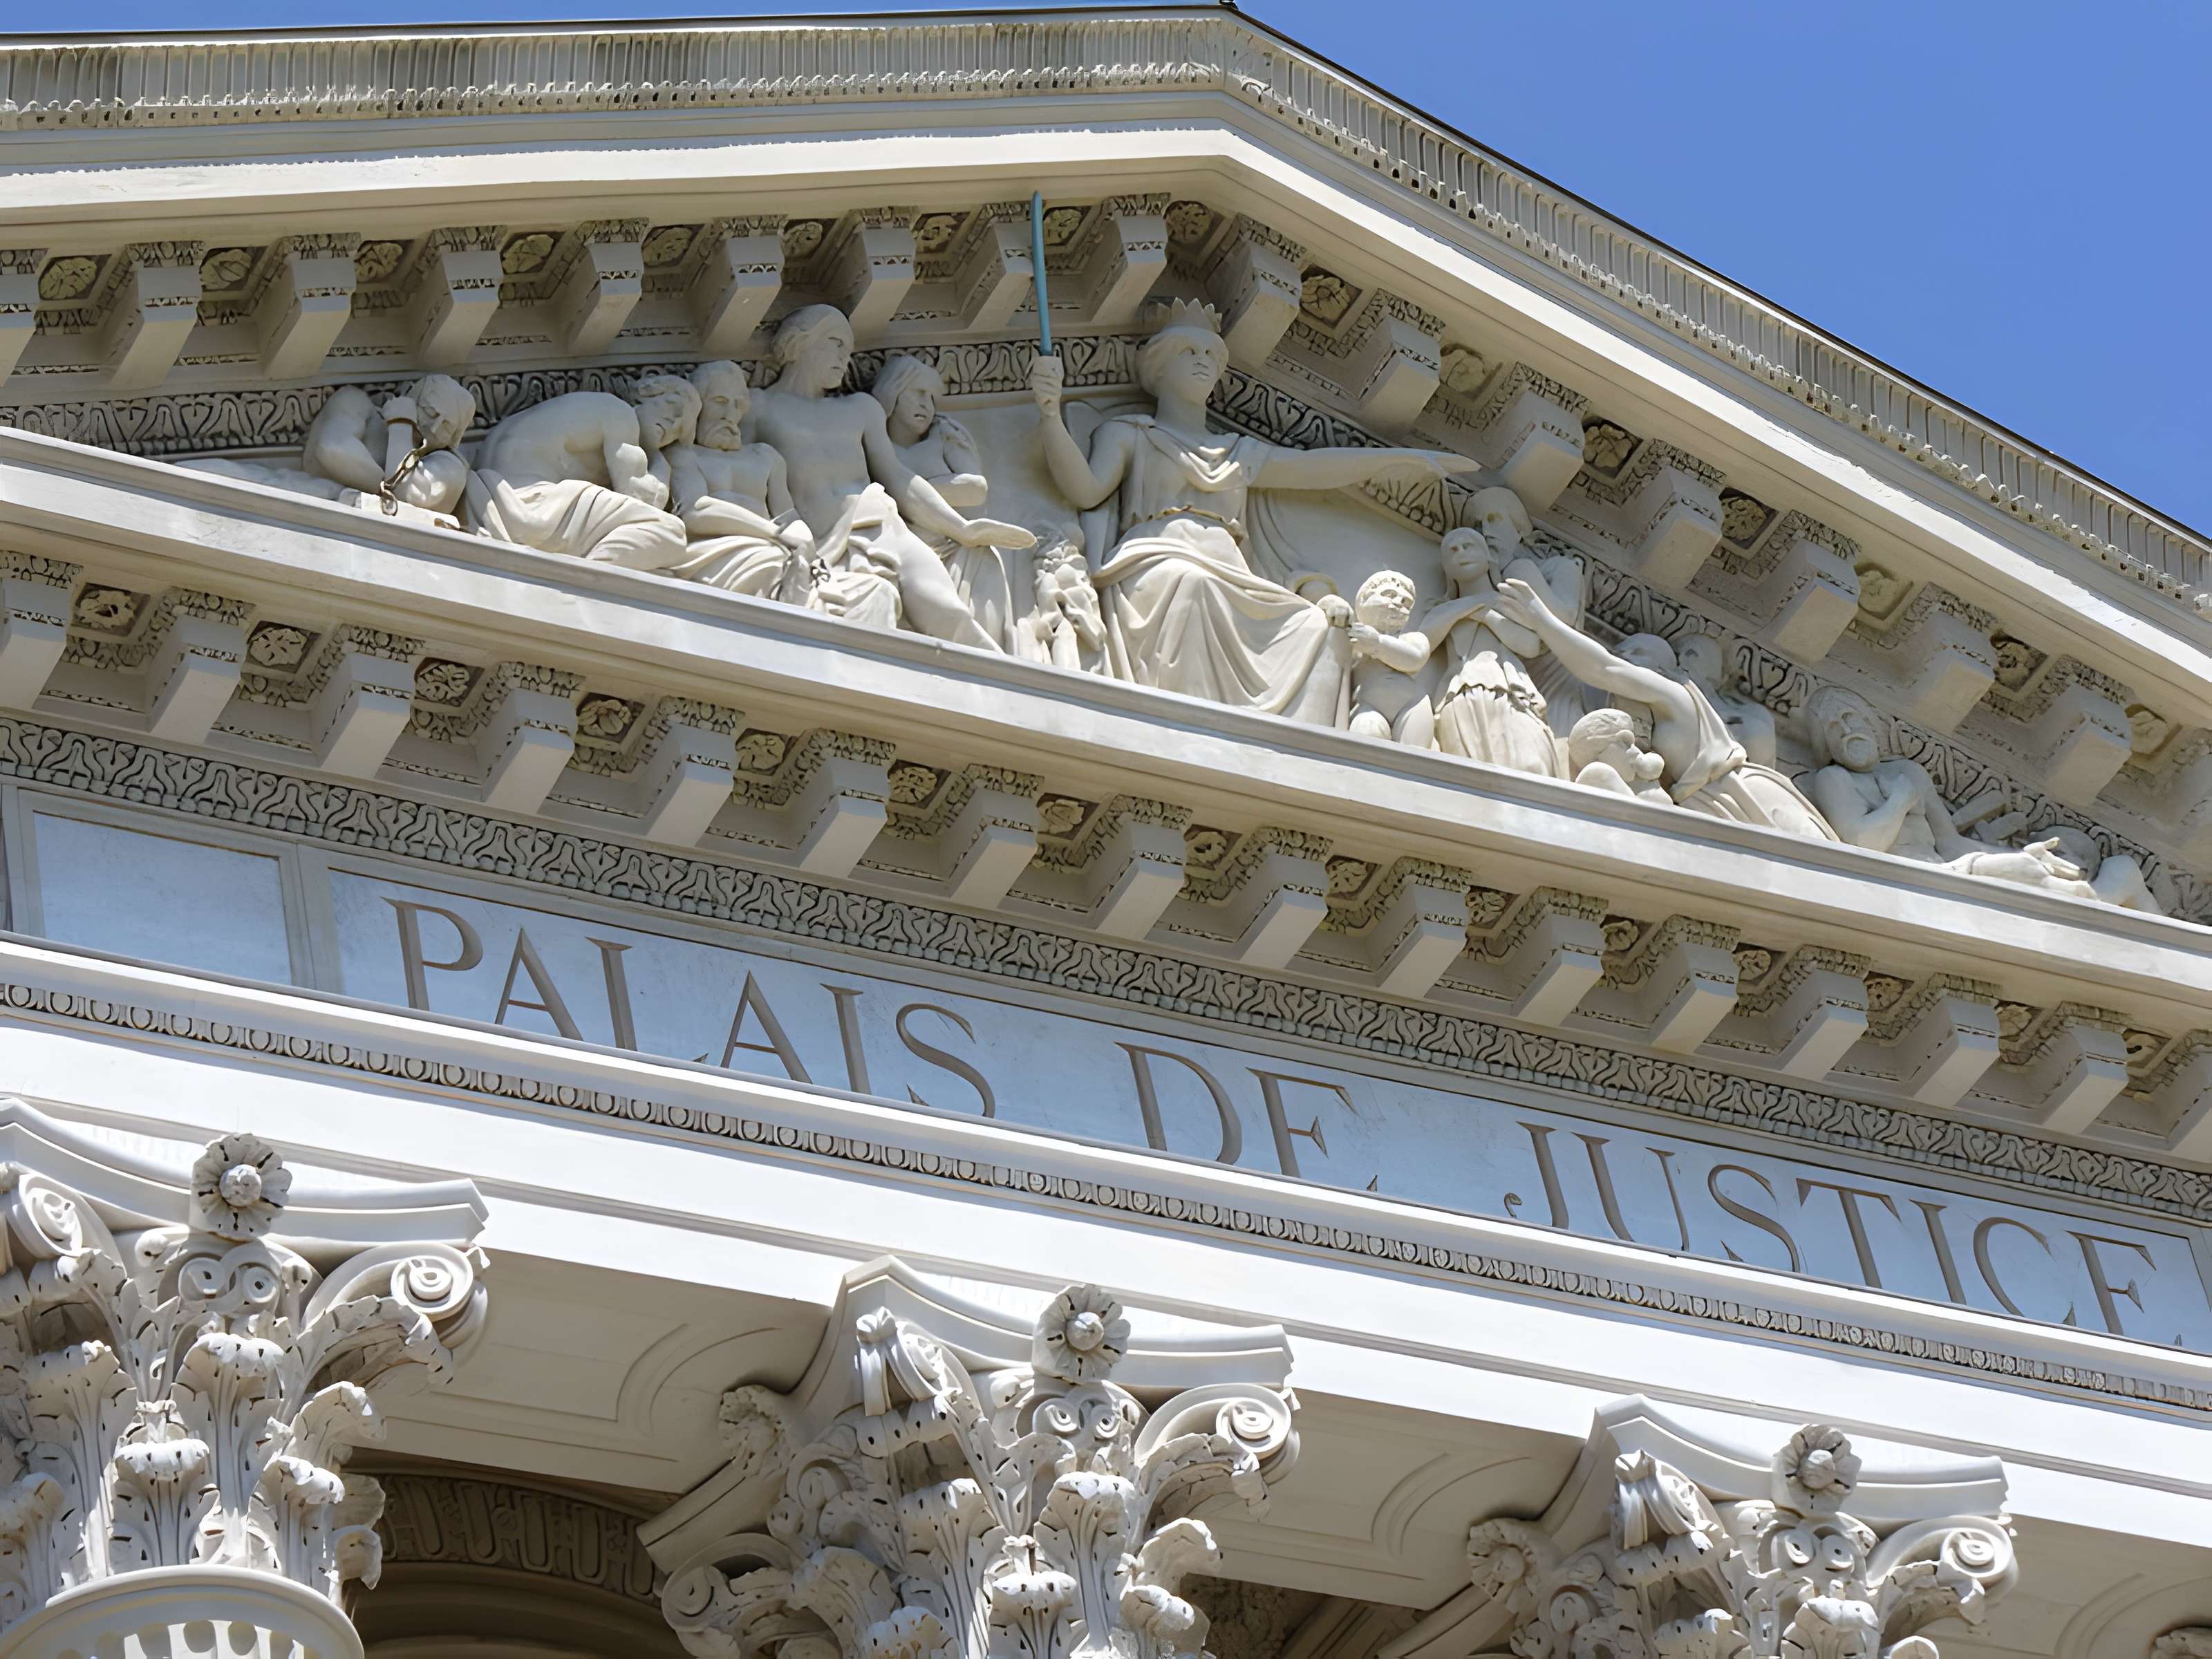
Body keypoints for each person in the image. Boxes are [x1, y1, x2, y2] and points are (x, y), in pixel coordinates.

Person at [1028, 299, 1475, 724]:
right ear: (1160, 365)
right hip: (1161, 567)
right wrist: (1050, 413)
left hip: (1235, 577)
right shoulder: (1129, 434)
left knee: (1313, 625)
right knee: (1192, 583)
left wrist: (1400, 461)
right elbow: (1084, 490)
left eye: (1211, 354)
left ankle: (1301, 757)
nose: (1203, 361)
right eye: (1189, 351)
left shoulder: (1236, 452)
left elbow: (1316, 470)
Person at [749, 305, 1031, 648]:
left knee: (949, 613)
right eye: (835, 342)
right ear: (798, 343)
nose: (845, 356)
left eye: (849, 349)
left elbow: (898, 477)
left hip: (882, 523)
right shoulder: (757, 407)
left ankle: (1001, 695)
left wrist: (962, 529)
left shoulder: (859, 409)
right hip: (821, 542)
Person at [1489, 578, 1836, 839]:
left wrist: (1542, 620)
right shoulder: (1645, 736)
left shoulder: (1675, 695)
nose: (1624, 658)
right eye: (1621, 651)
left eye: (1635, 654)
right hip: (1711, 807)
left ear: (1662, 669)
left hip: (1749, 795)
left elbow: (1603, 668)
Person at [1801, 686, 2100, 896]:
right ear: (1825, 744)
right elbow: (1863, 842)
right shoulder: (1834, 778)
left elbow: (1950, 844)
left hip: (1944, 870)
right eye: (1833, 727)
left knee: (2027, 866)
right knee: (2026, 871)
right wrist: (1900, 803)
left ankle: (2078, 898)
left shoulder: (1908, 771)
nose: (1846, 730)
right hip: (1902, 878)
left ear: (1870, 726)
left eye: (1851, 719)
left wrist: (2019, 853)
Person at [184, 374, 476, 525]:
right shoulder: (358, 404)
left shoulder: (446, 467)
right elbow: (333, 449)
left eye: (447, 427)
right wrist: (386, 492)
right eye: (429, 411)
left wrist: (401, 426)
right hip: (303, 495)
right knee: (223, 478)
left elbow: (412, 494)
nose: (435, 427)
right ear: (411, 396)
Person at [871, 354, 1013, 648]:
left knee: (978, 640)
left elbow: (975, 488)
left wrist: (905, 492)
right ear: (892, 390)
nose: (927, 404)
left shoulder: (943, 435)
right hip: (902, 553)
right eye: (917, 393)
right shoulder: (869, 441)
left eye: (931, 397)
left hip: (958, 552)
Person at [1420, 505, 1573, 777]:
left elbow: (1529, 645)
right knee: (1478, 779)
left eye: (1469, 546)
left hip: (1516, 693)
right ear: (1447, 569)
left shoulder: (1509, 601)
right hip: (1465, 692)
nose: (1461, 553)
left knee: (1535, 767)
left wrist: (1486, 614)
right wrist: (1479, 604)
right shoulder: (1443, 609)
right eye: (1452, 551)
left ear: (1488, 558)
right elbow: (1425, 641)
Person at [468, 382, 690, 569]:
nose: (675, 424)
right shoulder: (619, 413)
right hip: (537, 506)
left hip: (491, 499)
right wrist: (661, 461)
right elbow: (644, 499)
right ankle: (594, 576)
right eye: (673, 408)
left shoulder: (575, 408)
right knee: (672, 531)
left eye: (682, 430)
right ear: (645, 394)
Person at [654, 360, 818, 603]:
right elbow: (695, 511)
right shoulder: (682, 454)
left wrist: (806, 546)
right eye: (719, 402)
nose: (730, 416)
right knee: (771, 563)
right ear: (697, 404)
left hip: (772, 550)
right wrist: (773, 533)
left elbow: (788, 517)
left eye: (738, 405)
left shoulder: (766, 456)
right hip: (713, 551)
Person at [1674, 635, 1776, 768]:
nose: (1680, 661)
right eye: (1677, 655)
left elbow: (1758, 740)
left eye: (1691, 655)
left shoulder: (1754, 712)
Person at [1567, 707, 1670, 804]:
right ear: (1598, 747)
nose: (1636, 751)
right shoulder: (1597, 773)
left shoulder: (1633, 785)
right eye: (1625, 742)